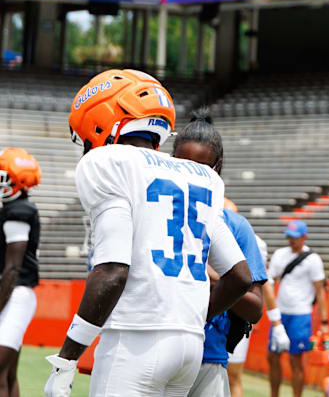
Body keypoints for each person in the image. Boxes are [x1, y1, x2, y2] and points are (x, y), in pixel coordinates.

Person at [44, 69, 257, 397]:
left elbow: (113, 271)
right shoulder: (203, 176)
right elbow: (241, 277)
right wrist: (195, 317)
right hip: (189, 347)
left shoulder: (110, 162)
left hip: (135, 339)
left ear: (100, 118)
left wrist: (67, 358)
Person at [171, 109, 269, 397]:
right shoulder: (154, 210)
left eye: (201, 168)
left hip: (208, 357)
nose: (191, 176)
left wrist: (213, 276)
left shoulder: (234, 225)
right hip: (154, 348)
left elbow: (254, 307)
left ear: (218, 167)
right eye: (182, 165)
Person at [267, 220, 329, 397]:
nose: (291, 241)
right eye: (289, 237)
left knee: (296, 360)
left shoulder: (313, 259)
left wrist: (325, 321)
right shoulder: (280, 254)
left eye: (295, 237)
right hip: (280, 314)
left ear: (304, 237)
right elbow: (271, 281)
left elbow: (320, 291)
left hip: (301, 315)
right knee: (272, 357)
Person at [226, 232, 290, 397]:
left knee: (232, 376)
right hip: (210, 314)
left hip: (236, 317)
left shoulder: (250, 239)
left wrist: (277, 324)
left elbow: (263, 282)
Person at [0, 147, 41, 397]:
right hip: (11, 293)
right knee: (7, 374)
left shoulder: (19, 211)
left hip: (14, 294)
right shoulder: (11, 209)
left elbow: (13, 268)